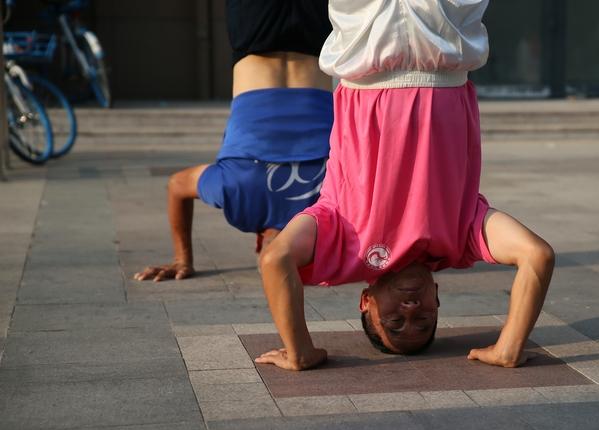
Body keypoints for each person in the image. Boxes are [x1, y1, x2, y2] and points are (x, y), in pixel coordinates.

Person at [256, 0, 555, 371]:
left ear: (366, 301)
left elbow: (275, 258)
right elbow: (537, 256)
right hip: (444, 27)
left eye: (395, 322)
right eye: (424, 321)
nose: (411, 311)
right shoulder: (462, 239)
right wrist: (509, 347)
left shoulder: (340, 246)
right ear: (437, 299)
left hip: (369, 35)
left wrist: (300, 351)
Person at [134, 0, 333, 282]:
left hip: (265, 40)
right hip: (308, 43)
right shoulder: (325, 214)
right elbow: (176, 186)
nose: (282, 256)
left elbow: (176, 185)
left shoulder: (316, 211)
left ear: (259, 246)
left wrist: (183, 260)